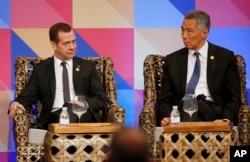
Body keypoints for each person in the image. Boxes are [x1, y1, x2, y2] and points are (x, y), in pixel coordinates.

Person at [9, 22, 107, 129]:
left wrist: (84, 103)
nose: (72, 47)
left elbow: (101, 99)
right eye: (66, 43)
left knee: (70, 108)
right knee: (66, 110)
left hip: (82, 117)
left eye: (74, 42)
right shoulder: (41, 69)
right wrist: (17, 103)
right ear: (54, 45)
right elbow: (28, 95)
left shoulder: (86, 67)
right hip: (53, 118)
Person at [159, 10, 241, 126]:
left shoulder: (224, 57)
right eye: (182, 30)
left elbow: (234, 96)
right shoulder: (172, 60)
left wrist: (225, 120)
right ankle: (199, 143)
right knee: (188, 108)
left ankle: (185, 143)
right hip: (181, 111)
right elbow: (165, 99)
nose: (184, 35)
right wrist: (167, 117)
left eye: (189, 31)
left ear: (204, 33)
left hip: (213, 110)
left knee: (194, 107)